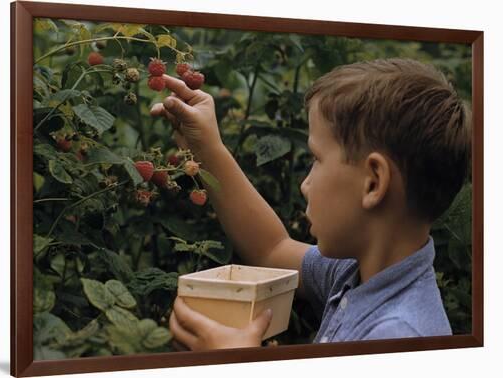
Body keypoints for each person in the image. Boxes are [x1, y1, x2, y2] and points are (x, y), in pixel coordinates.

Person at [150, 58, 471, 351]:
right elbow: (271, 248)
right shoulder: (357, 272)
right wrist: (206, 147)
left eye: (316, 159)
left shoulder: (398, 337)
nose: (305, 183)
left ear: (373, 182)